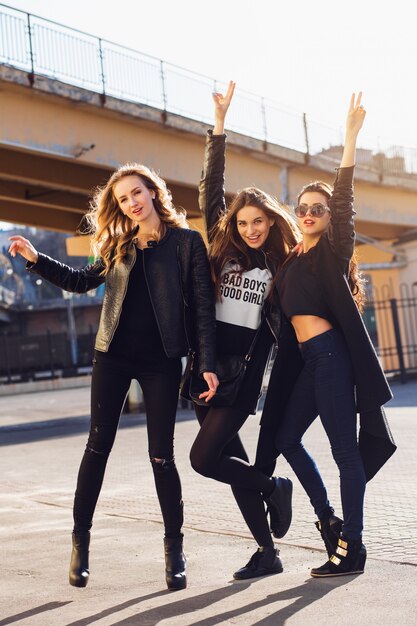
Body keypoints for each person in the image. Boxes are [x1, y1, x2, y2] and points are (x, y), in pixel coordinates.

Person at [8, 163, 218, 591]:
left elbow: (201, 307)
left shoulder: (186, 242)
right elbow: (81, 282)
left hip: (161, 361)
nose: (131, 203)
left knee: (162, 456)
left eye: (137, 193)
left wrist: (206, 361)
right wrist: (35, 259)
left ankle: (174, 551)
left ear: (153, 193)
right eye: (123, 199)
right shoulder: (117, 244)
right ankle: (80, 544)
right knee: (97, 447)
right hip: (113, 357)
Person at [256, 93, 396, 577]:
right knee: (284, 437)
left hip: (332, 357)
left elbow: (346, 201)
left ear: (329, 215)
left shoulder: (329, 255)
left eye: (319, 207)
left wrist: (351, 139)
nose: (311, 211)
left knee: (343, 451)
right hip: (309, 363)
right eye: (304, 207)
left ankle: (353, 546)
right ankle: (332, 523)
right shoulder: (291, 258)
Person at [189, 81, 301, 580]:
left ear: (270, 224)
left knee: (203, 458)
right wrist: (218, 126)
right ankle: (267, 552)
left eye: (259, 222)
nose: (252, 229)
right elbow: (210, 191)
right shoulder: (222, 249)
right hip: (206, 368)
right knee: (225, 461)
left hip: (242, 377)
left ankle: (273, 488)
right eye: (244, 222)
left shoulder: (281, 261)